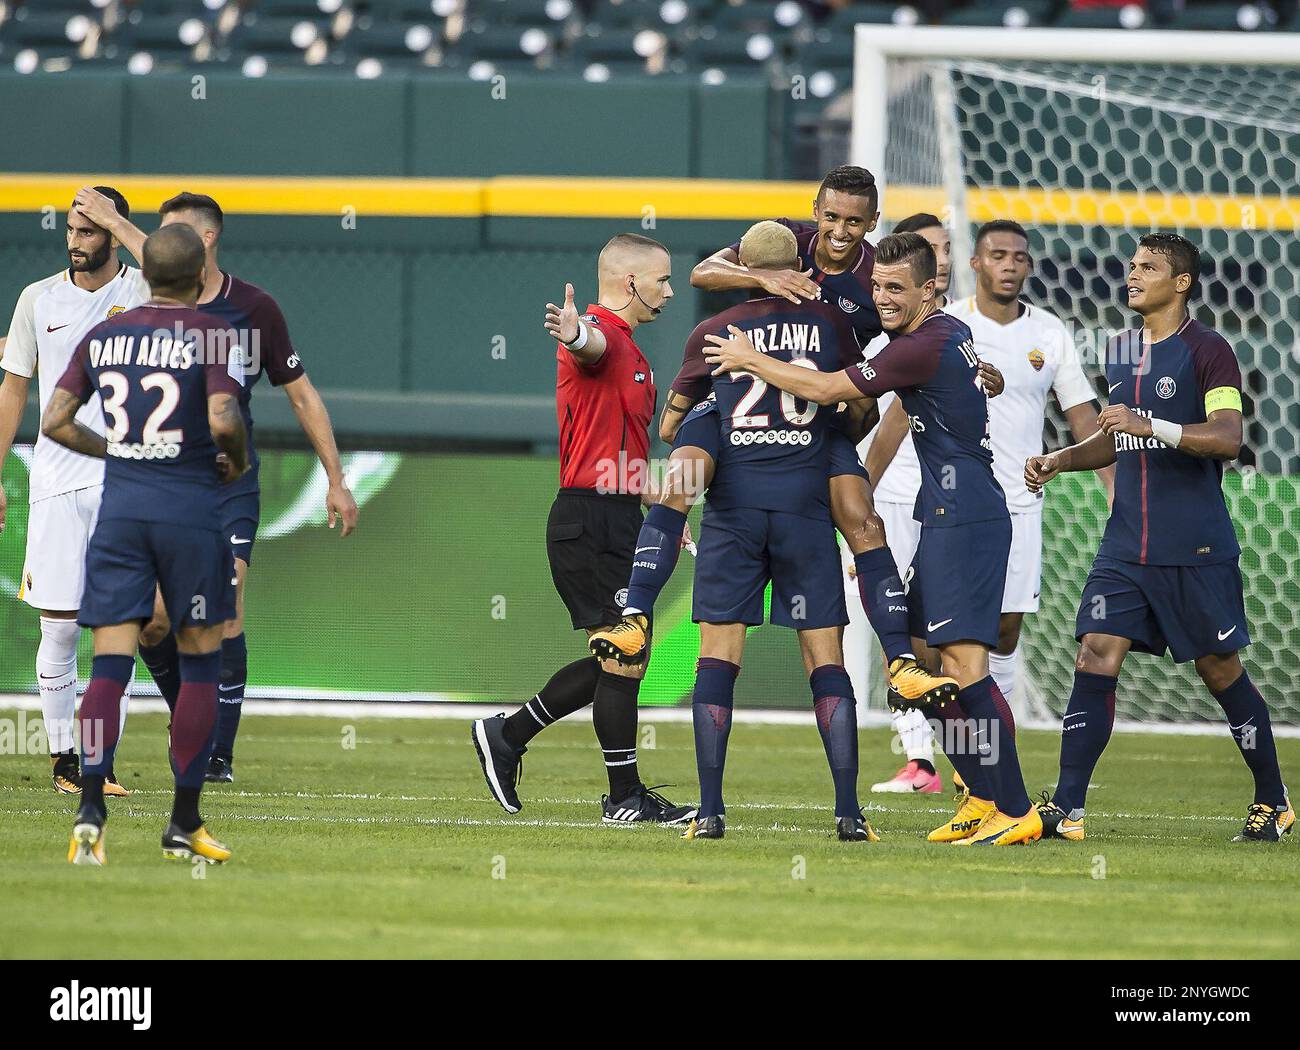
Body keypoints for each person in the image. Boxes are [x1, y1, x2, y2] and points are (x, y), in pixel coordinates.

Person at [594, 169, 981, 711]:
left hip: (819, 404)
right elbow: (705, 273)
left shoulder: (876, 276)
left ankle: (901, 662)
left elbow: (917, 332)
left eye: (853, 221)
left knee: (860, 516)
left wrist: (966, 365)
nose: (840, 231)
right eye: (831, 217)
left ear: (872, 223)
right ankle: (634, 617)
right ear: (815, 210)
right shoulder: (783, 241)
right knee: (680, 480)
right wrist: (767, 278)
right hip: (742, 407)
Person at [706, 232, 1043, 846]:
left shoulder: (920, 344)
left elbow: (831, 389)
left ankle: (1015, 806)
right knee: (917, 664)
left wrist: (751, 359)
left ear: (929, 289)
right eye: (877, 287)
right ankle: (984, 794)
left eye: (896, 289)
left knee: (965, 666)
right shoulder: (944, 334)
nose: (883, 299)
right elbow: (956, 375)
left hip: (968, 516)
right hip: (945, 512)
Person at [72, 188, 359, 782]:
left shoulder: (254, 309)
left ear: (204, 240)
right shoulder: (141, 302)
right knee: (151, 620)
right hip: (153, 484)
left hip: (226, 485)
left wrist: (336, 478)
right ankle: (190, 716)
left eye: (168, 234)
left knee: (222, 611)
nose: (156, 247)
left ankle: (216, 756)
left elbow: (300, 393)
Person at [1027, 233, 1292, 843]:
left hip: (1193, 545)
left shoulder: (1210, 353)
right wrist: (1063, 459)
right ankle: (1067, 808)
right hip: (1126, 544)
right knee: (1096, 650)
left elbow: (1227, 437)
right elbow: (1117, 437)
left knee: (1219, 669)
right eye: (1132, 265)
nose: (1133, 274)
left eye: (1149, 267)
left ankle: (1273, 799)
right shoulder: (1121, 350)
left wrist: (1154, 424)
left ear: (1181, 283)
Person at [865, 219, 1113, 794]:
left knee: (987, 647)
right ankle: (940, 767)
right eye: (993, 253)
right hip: (935, 505)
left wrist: (1113, 492)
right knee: (923, 652)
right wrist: (864, 500)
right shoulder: (945, 327)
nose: (1007, 264)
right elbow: (897, 416)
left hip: (998, 505)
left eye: (1017, 256)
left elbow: (1081, 417)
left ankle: (995, 789)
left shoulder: (1043, 333)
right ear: (974, 265)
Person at [665, 221, 882, 841]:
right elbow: (859, 404)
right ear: (800, 266)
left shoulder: (710, 332)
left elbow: (668, 429)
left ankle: (708, 812)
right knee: (826, 662)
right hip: (804, 506)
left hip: (734, 511)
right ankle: (848, 813)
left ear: (744, 268)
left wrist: (706, 414)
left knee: (716, 660)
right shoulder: (831, 326)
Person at [471, 233, 696, 825]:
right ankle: (622, 796)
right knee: (625, 655)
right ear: (630, 284)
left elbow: (614, 453)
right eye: (663, 280)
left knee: (619, 657)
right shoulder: (599, 336)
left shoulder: (631, 347)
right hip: (589, 518)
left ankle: (509, 733)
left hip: (613, 512)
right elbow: (586, 347)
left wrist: (663, 508)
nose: (671, 292)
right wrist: (575, 333)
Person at [42, 223, 248, 865]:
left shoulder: (105, 332)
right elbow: (222, 417)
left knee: (108, 666)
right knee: (200, 665)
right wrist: (233, 461)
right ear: (196, 278)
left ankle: (90, 815)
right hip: (188, 511)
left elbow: (52, 420)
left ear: (147, 273)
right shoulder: (209, 332)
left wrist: (117, 449)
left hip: (121, 511)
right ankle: (184, 820)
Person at [0, 187, 146, 797]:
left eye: (89, 231)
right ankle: (64, 758)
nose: (75, 242)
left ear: (114, 232)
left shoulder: (141, 290)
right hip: (57, 480)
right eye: (71, 230)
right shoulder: (38, 299)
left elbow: (187, 273)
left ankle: (99, 760)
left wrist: (116, 219)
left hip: (128, 480)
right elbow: (13, 388)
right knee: (59, 627)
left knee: (120, 626)